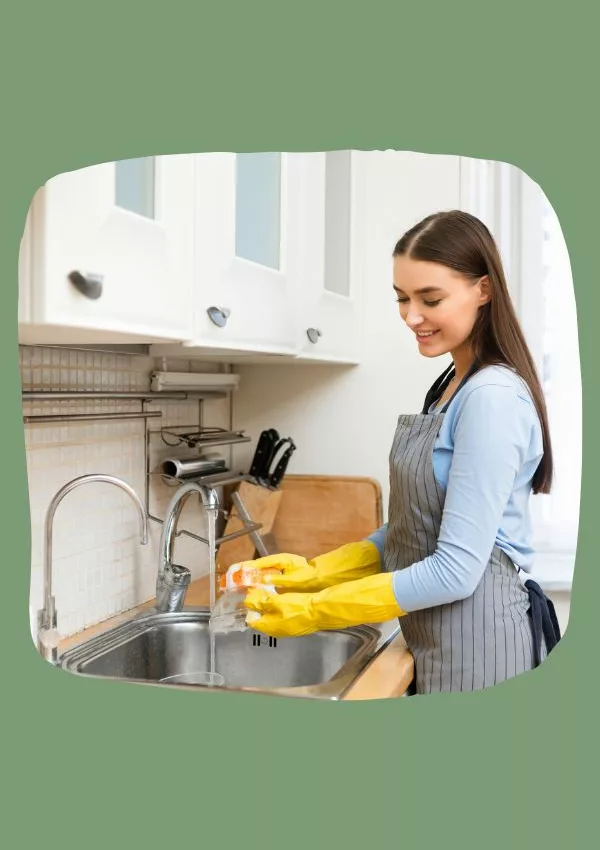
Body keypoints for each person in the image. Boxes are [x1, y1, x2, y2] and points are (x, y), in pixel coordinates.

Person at [236, 210, 561, 694]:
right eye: (402, 298)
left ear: (484, 290)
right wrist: (313, 573)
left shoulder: (491, 399)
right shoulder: (449, 386)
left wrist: (315, 611)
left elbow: (453, 571)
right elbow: (416, 525)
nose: (411, 316)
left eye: (430, 299)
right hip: (437, 637)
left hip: (481, 649)